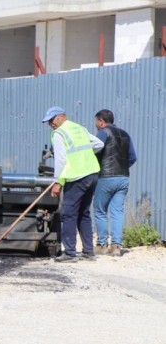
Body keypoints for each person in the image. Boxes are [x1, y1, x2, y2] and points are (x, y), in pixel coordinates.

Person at [42, 106, 104, 263]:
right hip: (92, 174)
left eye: (52, 120)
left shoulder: (58, 133)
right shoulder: (79, 128)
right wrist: (85, 155)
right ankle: (88, 252)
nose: (50, 124)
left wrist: (58, 182)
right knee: (84, 213)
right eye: (48, 122)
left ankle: (70, 253)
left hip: (76, 176)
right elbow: (98, 144)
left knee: (68, 213)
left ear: (61, 117)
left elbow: (61, 160)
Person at [92, 109, 137, 257]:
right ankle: (116, 246)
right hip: (123, 177)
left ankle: (102, 244)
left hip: (106, 176)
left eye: (96, 122)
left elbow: (96, 151)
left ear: (101, 121)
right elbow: (132, 157)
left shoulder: (103, 133)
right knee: (117, 211)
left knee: (100, 210)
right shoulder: (125, 134)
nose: (96, 125)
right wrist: (122, 168)